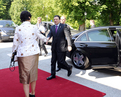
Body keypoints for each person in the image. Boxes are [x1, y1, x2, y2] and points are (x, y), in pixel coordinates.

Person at [12, 11, 47, 97]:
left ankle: (27, 96)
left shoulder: (18, 28)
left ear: (21, 18)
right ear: (29, 17)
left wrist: (13, 52)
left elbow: (15, 43)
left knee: (25, 76)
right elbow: (40, 36)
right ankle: (33, 93)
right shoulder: (34, 27)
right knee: (33, 74)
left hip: (23, 54)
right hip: (33, 53)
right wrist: (46, 39)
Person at [46, 15, 72, 80]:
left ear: (59, 20)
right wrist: (48, 38)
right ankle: (52, 74)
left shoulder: (64, 26)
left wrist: (69, 45)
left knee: (61, 61)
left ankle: (68, 67)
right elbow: (50, 34)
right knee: (53, 61)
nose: (55, 20)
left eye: (56, 19)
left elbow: (68, 36)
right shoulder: (52, 27)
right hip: (54, 47)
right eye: (54, 19)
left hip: (61, 47)